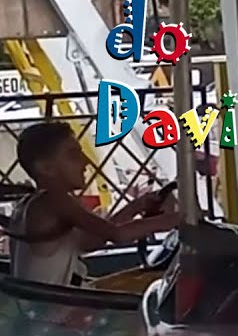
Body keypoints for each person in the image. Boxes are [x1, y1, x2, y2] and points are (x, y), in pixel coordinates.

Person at [8, 121, 180, 286]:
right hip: (57, 308)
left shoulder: (30, 205)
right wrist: (174, 220)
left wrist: (136, 206)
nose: (85, 162)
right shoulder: (54, 200)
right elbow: (118, 235)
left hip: (45, 304)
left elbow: (90, 242)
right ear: (46, 168)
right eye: (74, 155)